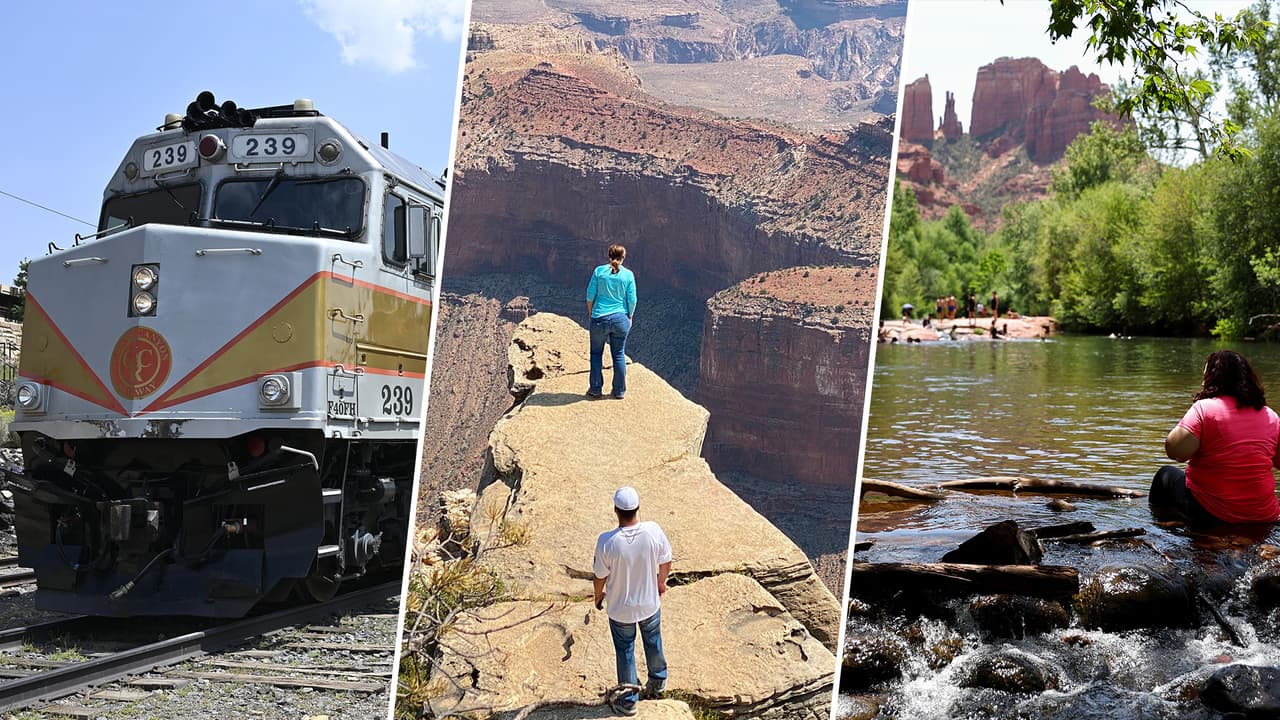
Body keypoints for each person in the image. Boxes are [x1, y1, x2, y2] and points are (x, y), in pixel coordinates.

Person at [1151, 350, 1280, 524]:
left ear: (1210, 378)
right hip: (1263, 516)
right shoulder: (1270, 415)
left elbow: (1175, 452)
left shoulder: (1204, 409)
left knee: (1164, 475)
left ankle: (1164, 528)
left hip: (1213, 513)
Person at [593, 486, 671, 715]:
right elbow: (666, 560)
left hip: (620, 610)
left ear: (616, 511)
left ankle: (629, 702)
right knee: (653, 641)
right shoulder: (653, 531)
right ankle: (658, 682)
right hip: (649, 604)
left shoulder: (607, 541)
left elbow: (600, 575)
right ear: (638, 508)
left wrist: (598, 596)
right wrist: (661, 582)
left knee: (625, 650)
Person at [586, 244, 637, 399]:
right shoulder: (628, 275)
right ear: (623, 258)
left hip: (599, 318)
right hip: (621, 320)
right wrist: (630, 316)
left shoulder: (599, 272)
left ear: (609, 256)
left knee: (596, 354)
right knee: (619, 354)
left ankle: (595, 389)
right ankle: (619, 391)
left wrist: (591, 313)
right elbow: (632, 300)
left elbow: (589, 296)